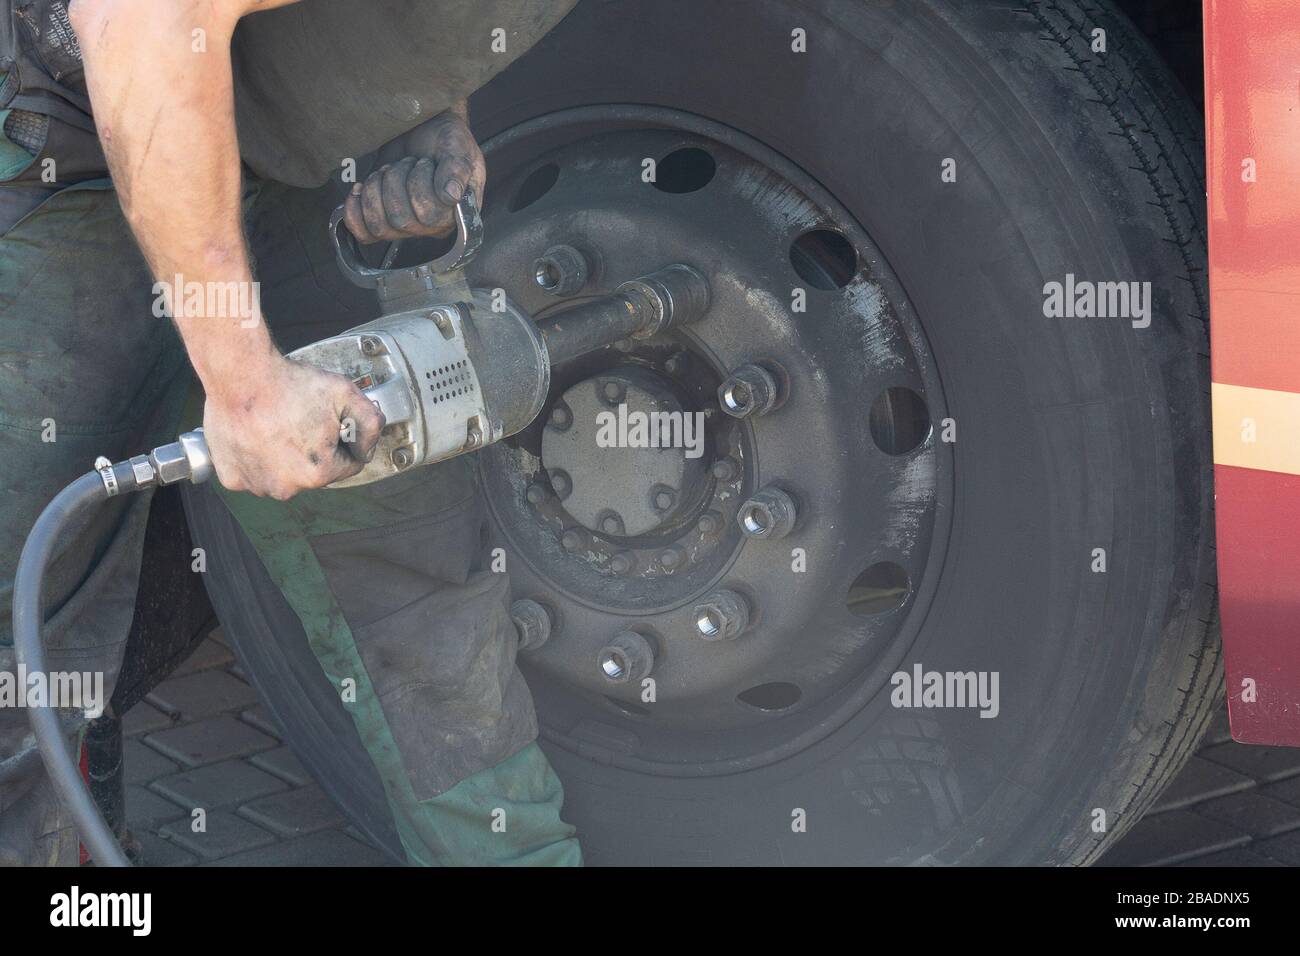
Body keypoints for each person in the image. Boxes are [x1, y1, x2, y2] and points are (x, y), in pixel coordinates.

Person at [0, 0, 581, 866]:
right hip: (67, 151)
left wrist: (423, 116)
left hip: (286, 169)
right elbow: (141, 18)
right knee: (27, 634)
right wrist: (243, 387)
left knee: (423, 608)